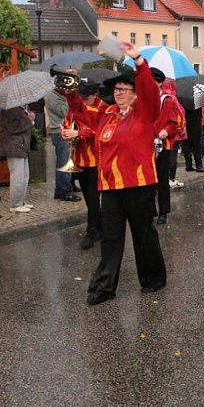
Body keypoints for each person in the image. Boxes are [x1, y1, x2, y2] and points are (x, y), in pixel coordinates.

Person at [86, 42, 168, 305]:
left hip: (138, 184)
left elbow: (150, 91)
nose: (118, 93)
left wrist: (139, 62)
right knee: (110, 238)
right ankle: (104, 287)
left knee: (143, 234)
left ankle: (153, 278)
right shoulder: (108, 115)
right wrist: (71, 96)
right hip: (110, 185)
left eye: (123, 89)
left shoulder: (144, 112)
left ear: (135, 94)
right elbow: (86, 118)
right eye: (116, 89)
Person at [62, 77, 106, 249]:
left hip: (96, 159)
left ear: (95, 95)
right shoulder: (77, 106)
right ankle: (100, 227)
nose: (84, 101)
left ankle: (91, 232)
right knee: (88, 197)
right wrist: (66, 133)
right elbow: (67, 123)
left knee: (93, 197)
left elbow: (100, 131)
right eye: (82, 98)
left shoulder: (104, 108)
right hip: (80, 158)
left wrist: (79, 134)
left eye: (86, 98)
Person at [152, 68, 185, 225]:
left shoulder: (168, 100)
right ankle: (151, 209)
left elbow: (176, 122)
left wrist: (167, 130)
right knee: (148, 180)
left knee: (162, 179)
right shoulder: (142, 101)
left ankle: (163, 211)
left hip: (163, 144)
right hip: (146, 145)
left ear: (159, 83)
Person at [44, 86, 80, 202]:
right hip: (60, 132)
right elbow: (66, 112)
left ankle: (67, 186)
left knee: (68, 161)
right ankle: (64, 191)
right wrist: (71, 99)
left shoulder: (59, 96)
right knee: (63, 163)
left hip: (66, 131)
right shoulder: (52, 97)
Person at [0, 105, 34, 213]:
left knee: (24, 175)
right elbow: (14, 127)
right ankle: (15, 204)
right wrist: (29, 120)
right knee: (17, 176)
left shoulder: (20, 107)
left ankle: (21, 201)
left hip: (21, 145)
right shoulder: (11, 108)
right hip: (14, 145)